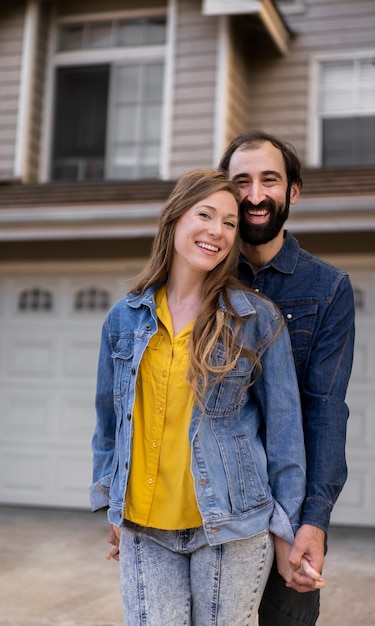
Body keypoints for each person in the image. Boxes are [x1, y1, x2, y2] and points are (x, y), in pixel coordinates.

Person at [90, 169, 321, 626]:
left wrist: (285, 533)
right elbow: (110, 422)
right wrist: (112, 501)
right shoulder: (125, 318)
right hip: (144, 528)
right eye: (206, 215)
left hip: (232, 528)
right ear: (175, 218)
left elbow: (285, 438)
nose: (217, 231)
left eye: (230, 223)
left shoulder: (255, 319)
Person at [219, 130, 355, 626]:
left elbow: (326, 409)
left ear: (292, 191)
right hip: (212, 506)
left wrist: (315, 520)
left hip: (290, 505)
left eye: (269, 180)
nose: (255, 196)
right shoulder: (201, 278)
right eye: (241, 182)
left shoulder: (328, 289)